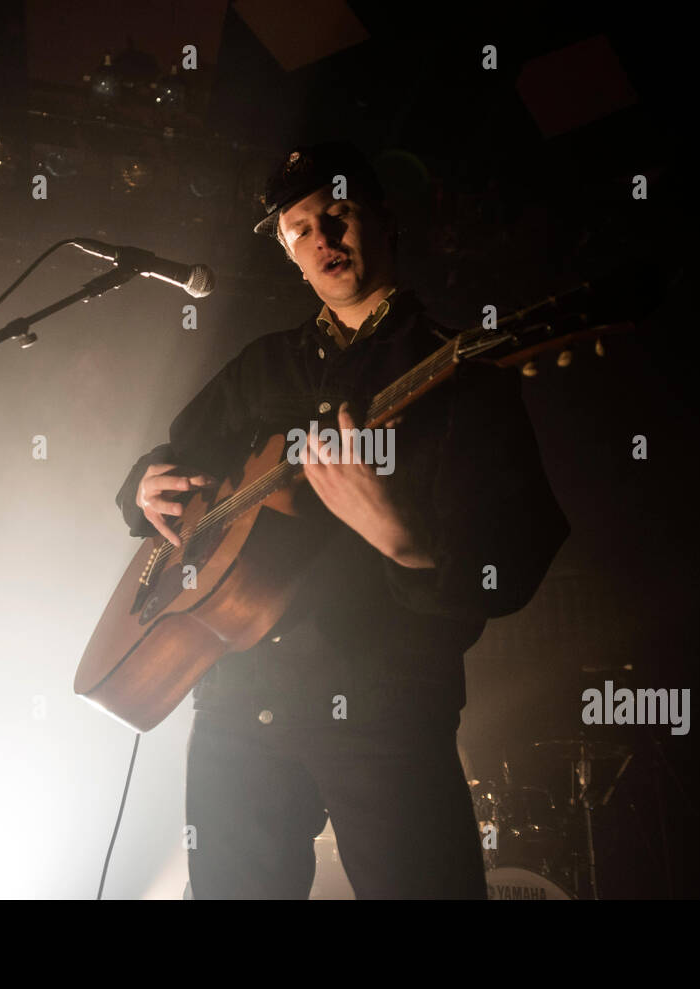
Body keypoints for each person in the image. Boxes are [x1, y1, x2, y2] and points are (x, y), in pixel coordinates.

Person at [116, 141, 569, 898]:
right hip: (238, 697)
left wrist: (406, 540)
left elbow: (516, 553)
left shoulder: (462, 369)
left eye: (338, 214)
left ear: (381, 221)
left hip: (385, 701)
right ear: (290, 254)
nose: (321, 237)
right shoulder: (263, 367)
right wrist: (140, 487)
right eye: (299, 229)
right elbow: (177, 462)